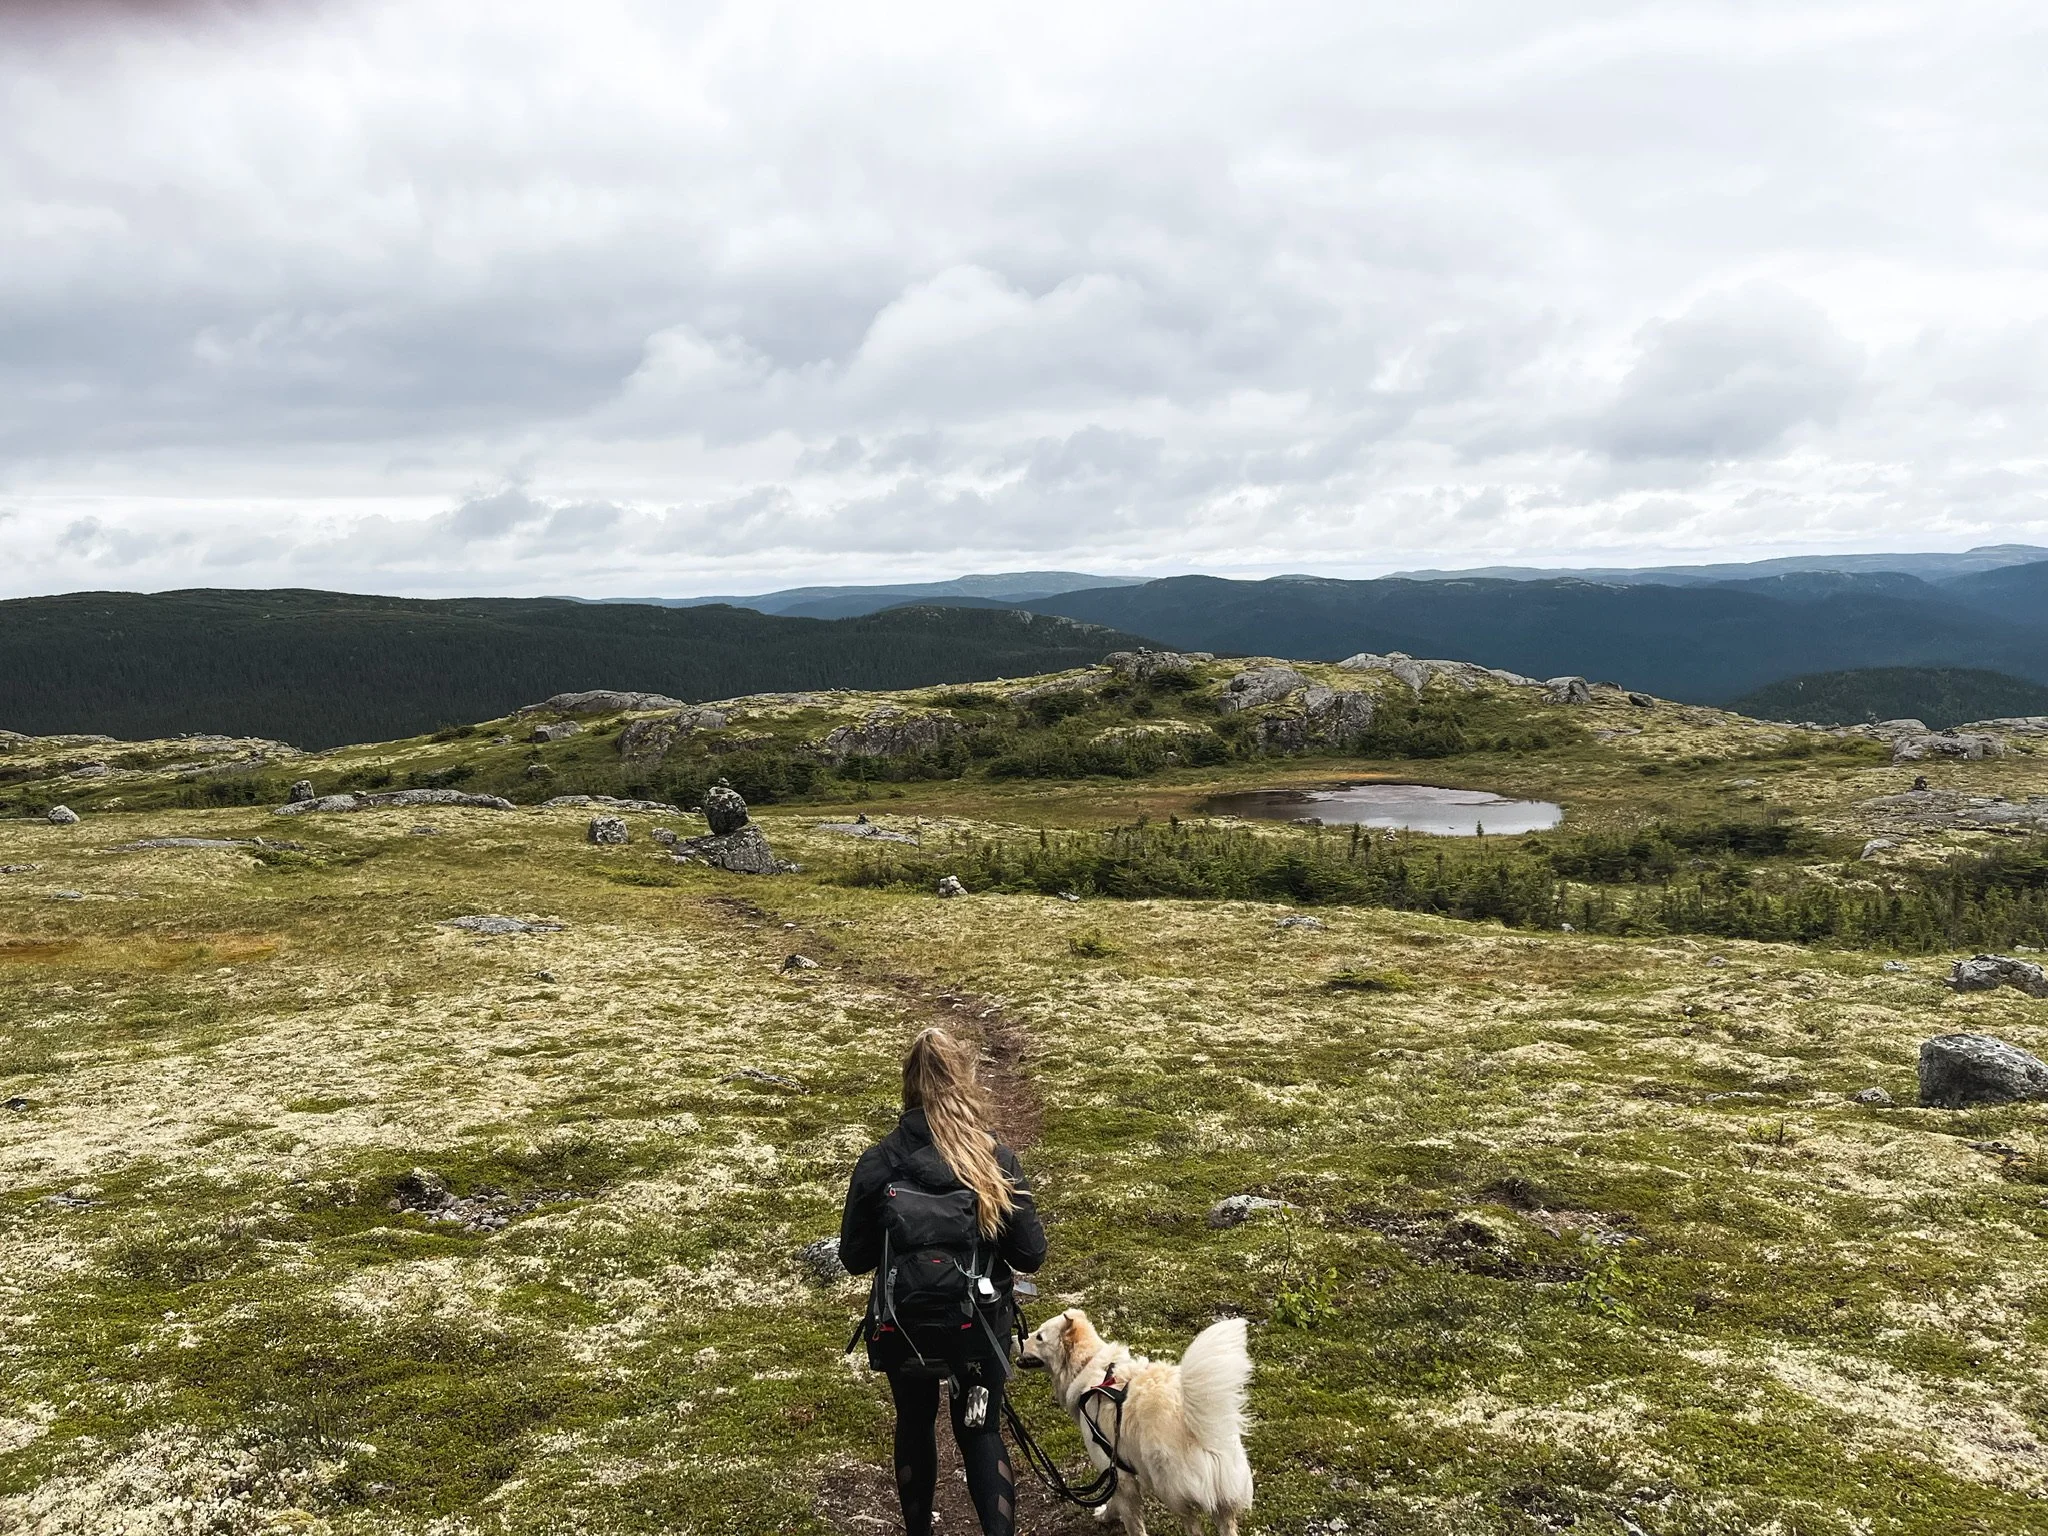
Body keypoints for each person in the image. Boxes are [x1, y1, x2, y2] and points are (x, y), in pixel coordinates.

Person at [840, 1029, 1047, 1536]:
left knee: (914, 1423)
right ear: (964, 1082)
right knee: (980, 1431)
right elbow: (1031, 1255)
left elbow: (853, 1258)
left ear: (907, 1086)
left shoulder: (879, 1161)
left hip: (902, 1326)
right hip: (976, 1326)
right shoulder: (993, 1159)